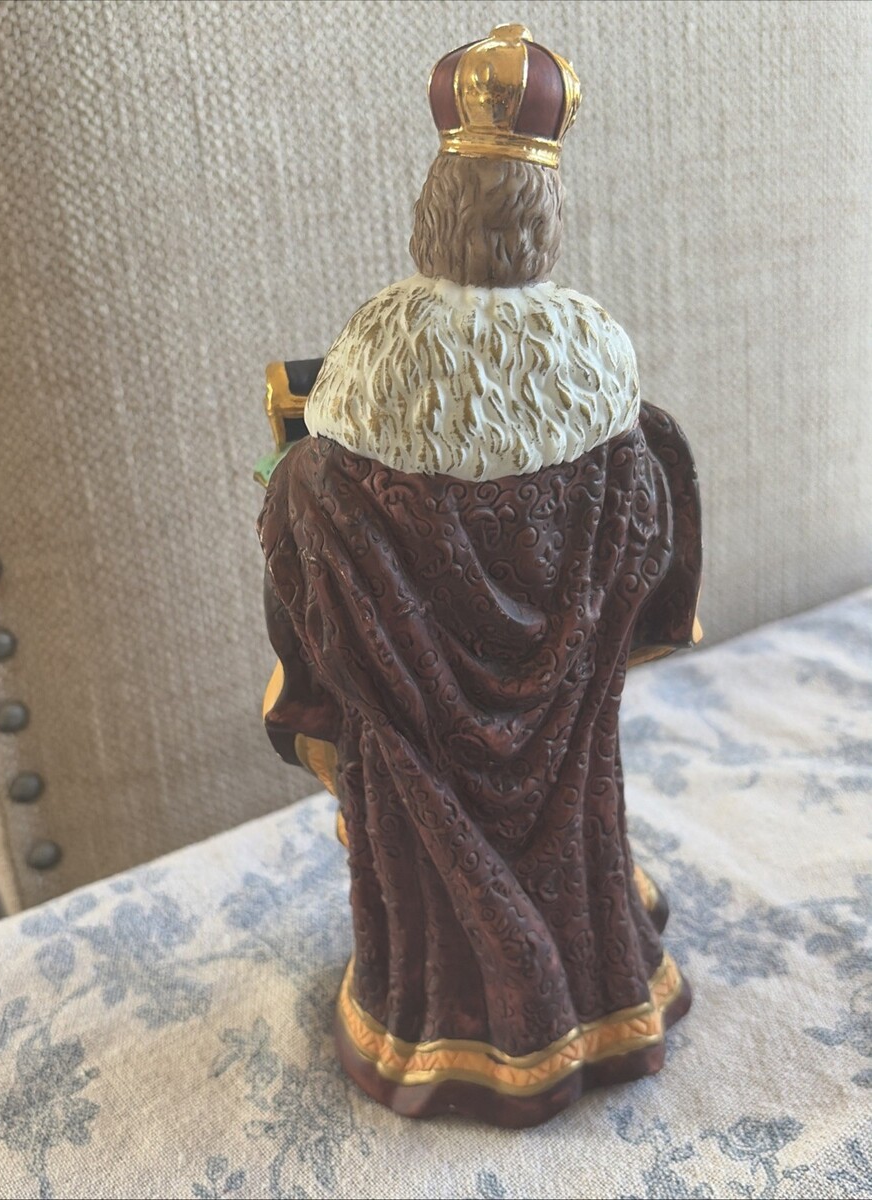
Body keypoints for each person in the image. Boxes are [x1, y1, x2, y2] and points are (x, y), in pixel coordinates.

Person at [257, 24, 702, 1127]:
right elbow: (650, 580)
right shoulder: (621, 431)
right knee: (575, 818)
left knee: (426, 866)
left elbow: (310, 610)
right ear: (547, 219)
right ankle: (599, 999)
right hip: (567, 761)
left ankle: (434, 1028)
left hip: (416, 772)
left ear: (431, 212)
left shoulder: (331, 455)